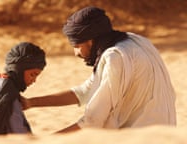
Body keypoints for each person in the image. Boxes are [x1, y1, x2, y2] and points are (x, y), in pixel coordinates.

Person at [21, 6, 176, 133]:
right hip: (167, 133)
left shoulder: (115, 56)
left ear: (91, 41)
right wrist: (30, 103)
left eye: (77, 46)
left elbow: (92, 121)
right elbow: (85, 91)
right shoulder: (137, 41)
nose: (76, 53)